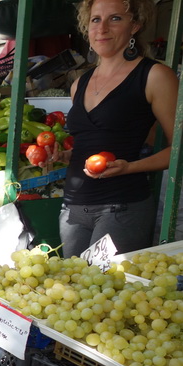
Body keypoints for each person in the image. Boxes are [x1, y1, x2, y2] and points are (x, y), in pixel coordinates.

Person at [52, 0, 178, 258]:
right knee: (71, 292)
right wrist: (66, 155)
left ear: (135, 26)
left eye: (115, 19)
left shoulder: (154, 76)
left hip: (121, 207)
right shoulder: (79, 83)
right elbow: (90, 141)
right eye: (95, 19)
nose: (103, 28)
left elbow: (179, 151)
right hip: (72, 208)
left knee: (100, 293)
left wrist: (131, 166)